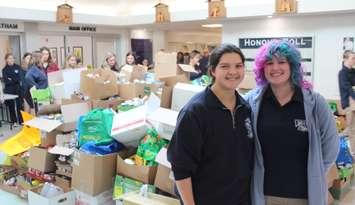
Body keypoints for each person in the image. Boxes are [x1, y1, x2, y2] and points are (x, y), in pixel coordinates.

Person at [245, 40, 339, 205]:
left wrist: (315, 173)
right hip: (263, 195)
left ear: (292, 66)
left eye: (281, 62)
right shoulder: (251, 102)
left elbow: (331, 146)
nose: (275, 68)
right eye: (269, 63)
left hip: (303, 195)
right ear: (262, 68)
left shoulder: (315, 103)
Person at [167, 44, 254, 205]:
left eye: (238, 66)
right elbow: (180, 167)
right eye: (225, 66)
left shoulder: (245, 108)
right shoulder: (195, 111)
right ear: (213, 70)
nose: (233, 72)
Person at [338, 50, 355, 154]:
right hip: (349, 104)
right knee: (351, 130)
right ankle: (353, 153)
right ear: (345, 59)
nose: (354, 60)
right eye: (352, 58)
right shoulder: (342, 73)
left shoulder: (353, 72)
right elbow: (348, 88)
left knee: (351, 129)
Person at [2, 53, 24, 124]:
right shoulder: (4, 70)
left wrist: (11, 79)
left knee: (19, 105)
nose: (11, 59)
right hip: (9, 89)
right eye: (9, 58)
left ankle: (21, 121)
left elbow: (19, 78)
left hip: (18, 89)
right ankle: (14, 121)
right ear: (6, 60)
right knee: (11, 106)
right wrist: (14, 79)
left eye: (12, 58)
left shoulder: (18, 67)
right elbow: (6, 81)